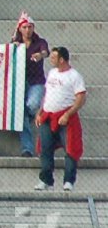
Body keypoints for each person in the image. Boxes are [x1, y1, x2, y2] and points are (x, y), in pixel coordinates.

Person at [35, 47, 86, 192]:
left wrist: (68, 114)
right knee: (45, 148)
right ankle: (46, 180)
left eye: (53, 57)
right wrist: (40, 112)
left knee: (70, 149)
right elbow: (47, 94)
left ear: (62, 59)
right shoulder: (51, 73)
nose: (51, 60)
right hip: (47, 116)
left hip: (65, 118)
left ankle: (69, 181)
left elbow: (81, 98)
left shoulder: (74, 76)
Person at [12, 15, 50, 159]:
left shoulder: (40, 42)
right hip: (20, 82)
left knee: (32, 105)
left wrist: (40, 55)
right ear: (20, 29)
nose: (27, 30)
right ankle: (27, 148)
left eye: (30, 27)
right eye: (24, 27)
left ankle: (26, 116)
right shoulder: (16, 43)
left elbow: (45, 52)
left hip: (36, 81)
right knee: (22, 114)